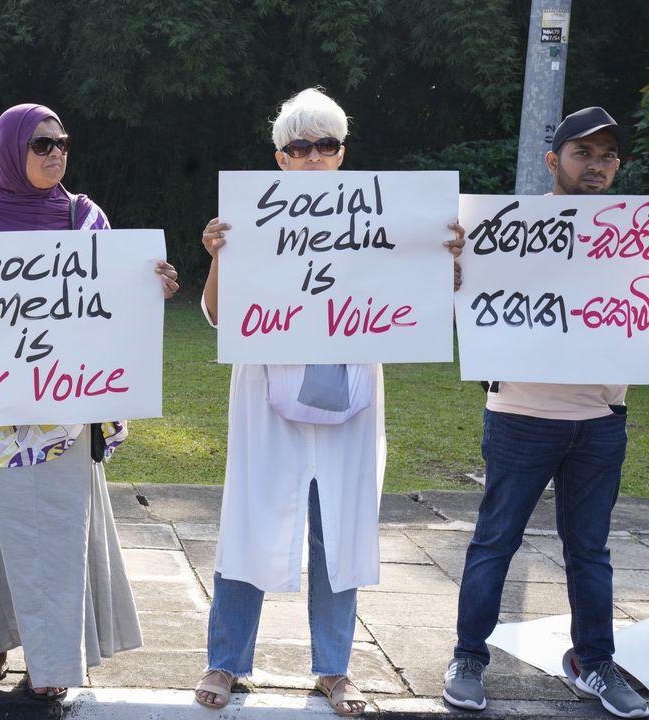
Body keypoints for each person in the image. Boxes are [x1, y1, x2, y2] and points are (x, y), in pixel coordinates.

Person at [195, 88, 463, 715]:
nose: (313, 156)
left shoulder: (384, 219)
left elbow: (422, 307)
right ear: (280, 157)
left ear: (343, 152)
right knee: (250, 517)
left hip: (352, 394)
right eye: (299, 147)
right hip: (266, 395)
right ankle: (225, 660)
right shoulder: (251, 218)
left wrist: (442, 258)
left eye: (325, 144)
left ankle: (335, 667)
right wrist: (218, 258)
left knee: (341, 527)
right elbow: (218, 315)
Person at [0, 103, 179, 700]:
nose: (55, 152)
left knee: (56, 540)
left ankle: (51, 663)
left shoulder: (85, 218)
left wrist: (151, 289)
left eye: (62, 142)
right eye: (41, 144)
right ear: (11, 149)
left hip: (63, 419)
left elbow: (114, 302)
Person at [443, 107, 649, 720]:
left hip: (600, 419)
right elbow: (460, 302)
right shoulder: (504, 229)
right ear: (553, 160)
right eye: (583, 153)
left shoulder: (631, 237)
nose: (597, 165)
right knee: (494, 541)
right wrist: (453, 272)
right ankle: (468, 659)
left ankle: (594, 662)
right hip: (520, 414)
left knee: (590, 551)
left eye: (607, 156)